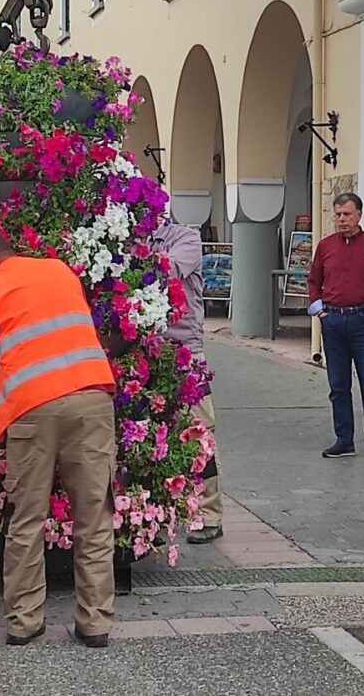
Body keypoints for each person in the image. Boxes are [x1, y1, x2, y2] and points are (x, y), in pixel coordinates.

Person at [0, 228, 117, 648]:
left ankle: (24, 622)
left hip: (31, 407)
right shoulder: (61, 270)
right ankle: (95, 623)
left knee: (27, 519)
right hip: (92, 397)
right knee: (94, 517)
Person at [307, 192, 364, 461]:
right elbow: (314, 280)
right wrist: (319, 310)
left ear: (359, 214)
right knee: (338, 386)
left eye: (347, 214)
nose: (342, 219)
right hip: (333, 320)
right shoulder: (326, 246)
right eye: (338, 215)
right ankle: (344, 440)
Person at [153, 221, 223, 544]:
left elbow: (169, 271)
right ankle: (153, 518)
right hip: (146, 351)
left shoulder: (187, 238)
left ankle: (210, 515)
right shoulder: (130, 237)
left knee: (200, 433)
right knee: (150, 438)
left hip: (186, 353)